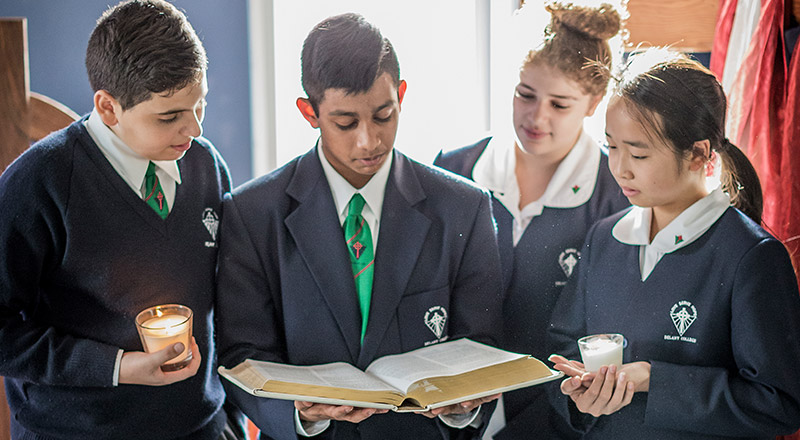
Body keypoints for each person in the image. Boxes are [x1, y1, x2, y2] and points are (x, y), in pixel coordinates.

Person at [215, 12, 503, 440]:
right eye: (345, 123)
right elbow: (243, 355)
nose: (369, 141)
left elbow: (482, 345)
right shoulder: (253, 213)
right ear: (309, 112)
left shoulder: (465, 207)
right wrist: (302, 415)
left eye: (383, 115)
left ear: (401, 95)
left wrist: (462, 409)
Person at [0, 1, 241, 438]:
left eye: (198, 106)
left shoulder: (206, 166)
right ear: (108, 108)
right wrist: (117, 367)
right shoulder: (38, 182)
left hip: (201, 427)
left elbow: (230, 305)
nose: (195, 131)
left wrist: (231, 422)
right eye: (169, 116)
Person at [548, 48, 800, 438]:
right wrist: (577, 395)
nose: (620, 168)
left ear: (699, 153)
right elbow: (564, 346)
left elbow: (779, 403)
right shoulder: (605, 238)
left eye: (639, 153)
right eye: (612, 147)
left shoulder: (752, 257)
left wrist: (653, 378)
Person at [434, 1, 628, 438]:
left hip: (556, 419)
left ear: (594, 103)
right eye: (525, 94)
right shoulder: (455, 169)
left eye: (560, 104)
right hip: (450, 410)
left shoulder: (615, 196)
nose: (536, 118)